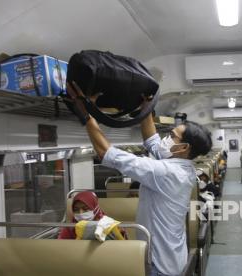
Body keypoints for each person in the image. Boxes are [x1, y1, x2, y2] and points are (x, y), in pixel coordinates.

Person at [66, 82, 212, 276]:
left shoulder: (167, 173)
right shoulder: (179, 165)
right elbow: (153, 142)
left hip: (160, 265)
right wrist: (147, 109)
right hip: (170, 258)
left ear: (184, 147)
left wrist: (87, 115)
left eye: (172, 135)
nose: (166, 138)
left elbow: (106, 153)